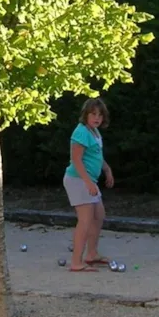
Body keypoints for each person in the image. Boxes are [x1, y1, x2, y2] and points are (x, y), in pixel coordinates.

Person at [62, 98, 114, 272]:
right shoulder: (81, 132)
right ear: (86, 114)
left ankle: (91, 254)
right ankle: (76, 262)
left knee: (99, 215)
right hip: (78, 180)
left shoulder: (95, 133)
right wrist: (88, 182)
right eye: (93, 114)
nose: (97, 118)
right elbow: (76, 159)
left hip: (88, 180)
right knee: (85, 220)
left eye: (100, 114)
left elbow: (96, 156)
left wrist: (107, 170)